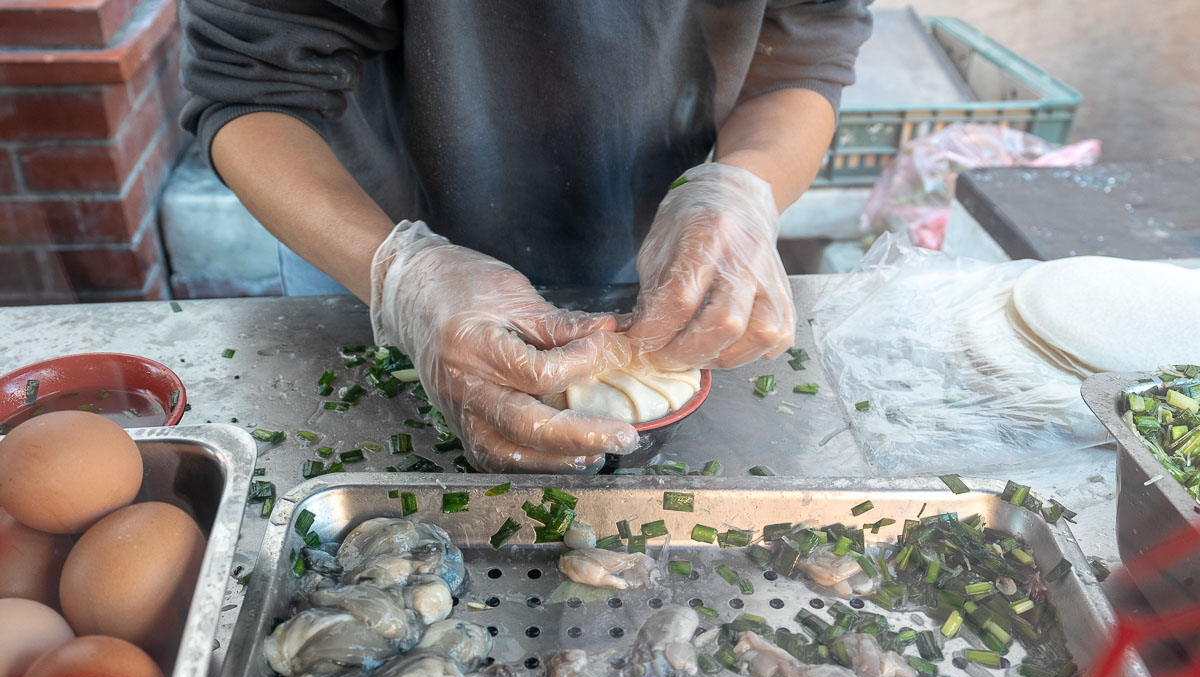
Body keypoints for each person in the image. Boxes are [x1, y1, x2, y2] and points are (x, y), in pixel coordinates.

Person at [180, 0, 873, 472]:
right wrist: (399, 275)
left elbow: (802, 51)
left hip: (663, 257)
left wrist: (740, 189)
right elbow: (251, 85)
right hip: (365, 250)